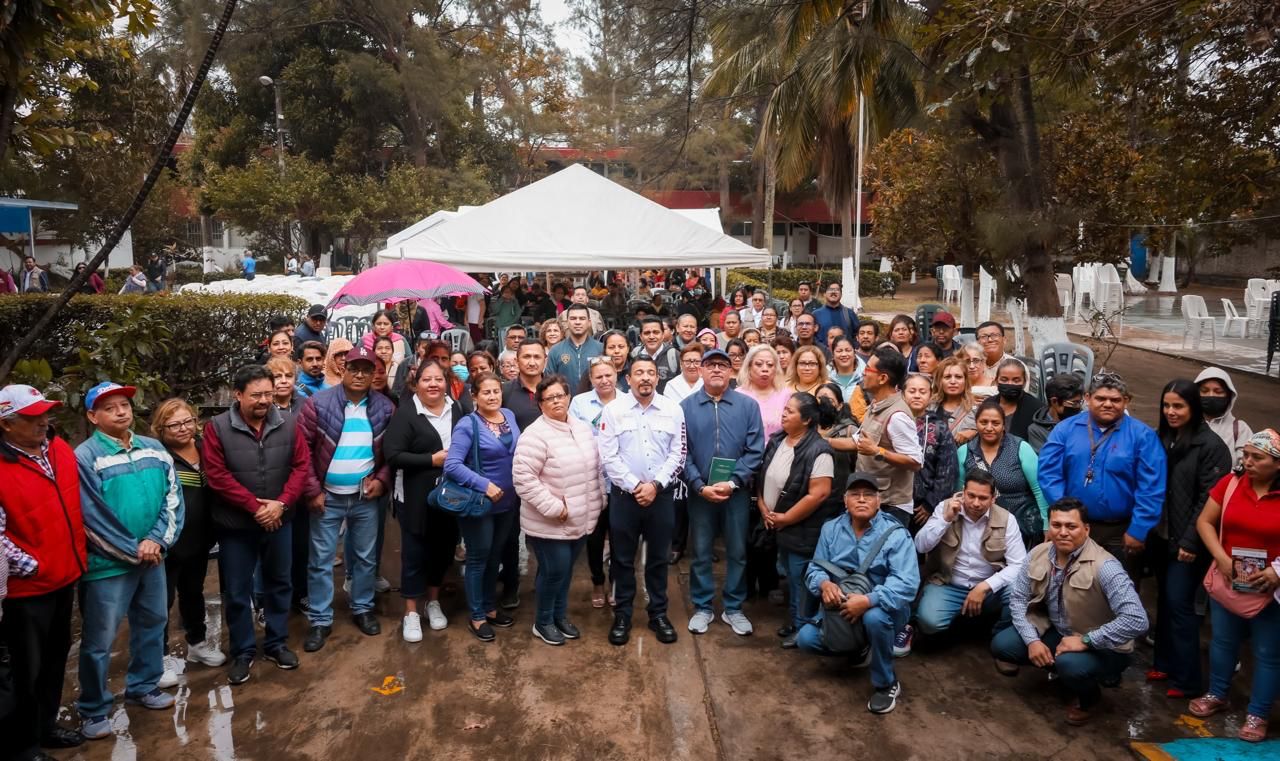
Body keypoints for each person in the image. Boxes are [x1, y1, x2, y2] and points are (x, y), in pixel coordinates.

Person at [74, 382, 184, 739]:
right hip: (108, 566)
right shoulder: (85, 457)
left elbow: (173, 498)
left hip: (152, 559)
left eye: (124, 404)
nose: (121, 411)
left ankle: (143, 686)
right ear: (92, 416)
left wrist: (155, 541)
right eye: (110, 408)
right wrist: (132, 550)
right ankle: (93, 708)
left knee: (153, 622)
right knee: (100, 639)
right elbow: (90, 517)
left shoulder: (154, 449)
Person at [991, 498, 1149, 727]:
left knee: (1071, 666)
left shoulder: (1106, 566)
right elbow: (1017, 599)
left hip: (1103, 645)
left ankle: (1090, 696)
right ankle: (1066, 672)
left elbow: (1137, 619)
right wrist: (1032, 640)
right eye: (1056, 525)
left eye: (1071, 526)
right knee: (1003, 645)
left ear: (1086, 529)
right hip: (1060, 632)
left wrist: (1087, 640)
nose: (1063, 532)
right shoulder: (1038, 553)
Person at [201, 365, 309, 684]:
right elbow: (217, 476)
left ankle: (276, 643)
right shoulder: (217, 428)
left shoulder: (289, 423)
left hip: (280, 520)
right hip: (236, 526)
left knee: (280, 584)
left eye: (268, 394)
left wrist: (282, 504)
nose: (264, 401)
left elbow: (301, 467)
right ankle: (243, 651)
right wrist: (254, 507)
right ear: (238, 395)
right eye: (256, 395)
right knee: (236, 590)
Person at [0, 385, 88, 757]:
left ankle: (46, 726)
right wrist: (33, 565)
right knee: (25, 671)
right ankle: (23, 745)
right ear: (6, 424)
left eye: (44, 414)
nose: (43, 422)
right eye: (32, 417)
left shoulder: (59, 449)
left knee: (55, 661)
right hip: (27, 591)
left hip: (65, 576)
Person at [296, 346, 395, 652]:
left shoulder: (384, 407)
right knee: (321, 560)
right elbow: (302, 453)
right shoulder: (318, 404)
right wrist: (312, 491)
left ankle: (362, 608)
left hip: (365, 497)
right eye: (354, 368)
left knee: (365, 558)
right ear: (343, 369)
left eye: (367, 369)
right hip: (327, 498)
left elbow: (391, 453)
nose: (360, 374)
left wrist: (381, 480)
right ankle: (320, 619)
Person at [797, 472, 919, 715]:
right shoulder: (831, 529)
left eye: (868, 495)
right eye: (855, 494)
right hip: (842, 608)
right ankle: (859, 647)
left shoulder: (895, 534)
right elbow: (815, 568)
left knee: (874, 619)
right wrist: (824, 585)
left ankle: (886, 683)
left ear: (878, 501)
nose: (861, 499)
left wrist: (868, 601)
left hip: (883, 608)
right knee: (806, 639)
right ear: (845, 500)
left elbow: (907, 583)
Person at [1188, 429, 1280, 743]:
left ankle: (1258, 714)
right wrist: (1221, 558)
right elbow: (1204, 522)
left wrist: (1276, 572)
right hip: (1229, 581)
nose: (1248, 462)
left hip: (1272, 591)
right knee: (1223, 642)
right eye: (1247, 455)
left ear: (1278, 463)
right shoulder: (1230, 484)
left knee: (1268, 653)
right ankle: (1217, 693)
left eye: (1258, 457)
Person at [1146, 380, 1231, 699]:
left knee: (1182, 606)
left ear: (1193, 407)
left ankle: (1188, 679)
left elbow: (1209, 502)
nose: (1170, 412)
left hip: (1188, 544)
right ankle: (1165, 664)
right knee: (1165, 602)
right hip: (1162, 538)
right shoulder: (1163, 438)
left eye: (1178, 406)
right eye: (1166, 405)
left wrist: (1191, 542)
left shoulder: (1211, 446)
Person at [1038, 372, 1166, 576]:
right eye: (1100, 398)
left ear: (1126, 401)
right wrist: (1066, 515)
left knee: (1119, 589)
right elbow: (1048, 473)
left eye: (1115, 400)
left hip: (1122, 530)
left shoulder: (1142, 435)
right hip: (1075, 527)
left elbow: (1151, 487)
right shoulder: (1065, 429)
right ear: (1088, 398)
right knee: (1073, 586)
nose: (1108, 404)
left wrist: (1138, 529)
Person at [598, 357, 687, 646]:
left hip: (660, 498)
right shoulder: (613, 411)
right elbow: (608, 456)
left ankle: (658, 613)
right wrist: (637, 486)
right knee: (622, 560)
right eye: (639, 373)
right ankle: (622, 614)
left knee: (659, 559)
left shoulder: (673, 409)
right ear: (628, 379)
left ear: (657, 379)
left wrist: (655, 485)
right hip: (625, 498)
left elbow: (679, 453)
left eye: (651, 373)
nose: (645, 378)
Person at [512, 376, 605, 645]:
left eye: (561, 396)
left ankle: (559, 616)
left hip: (580, 516)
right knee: (554, 571)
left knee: (564, 572)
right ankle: (542, 622)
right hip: (550, 520)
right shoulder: (535, 435)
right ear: (540, 404)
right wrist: (554, 507)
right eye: (549, 398)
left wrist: (598, 501)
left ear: (568, 398)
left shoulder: (581, 428)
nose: (557, 401)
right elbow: (524, 480)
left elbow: (595, 469)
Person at [681, 349, 766, 637]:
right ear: (701, 371)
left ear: (731, 372)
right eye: (710, 365)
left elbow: (755, 451)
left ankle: (733, 608)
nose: (716, 369)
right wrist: (698, 485)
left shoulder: (747, 406)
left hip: (736, 493)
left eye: (722, 365)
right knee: (702, 552)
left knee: (738, 551)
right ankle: (703, 607)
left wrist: (733, 482)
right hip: (700, 493)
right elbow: (682, 453)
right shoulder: (685, 407)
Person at [384, 361, 462, 641]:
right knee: (415, 553)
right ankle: (411, 612)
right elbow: (393, 455)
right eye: (426, 379)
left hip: (450, 495)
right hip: (414, 495)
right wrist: (432, 459)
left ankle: (433, 601)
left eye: (438, 379)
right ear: (416, 384)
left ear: (446, 382)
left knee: (441, 551)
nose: (433, 384)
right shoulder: (406, 414)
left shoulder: (456, 408)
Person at [760, 393, 843, 646]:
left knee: (801, 581)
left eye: (790, 411)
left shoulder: (820, 451)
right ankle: (796, 622)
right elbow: (762, 477)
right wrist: (764, 508)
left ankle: (804, 628)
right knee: (789, 576)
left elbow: (819, 494)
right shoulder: (777, 441)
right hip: (777, 523)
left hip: (802, 529)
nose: (783, 414)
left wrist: (785, 517)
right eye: (784, 409)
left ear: (806, 420)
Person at [444, 372, 521, 642]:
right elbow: (452, 465)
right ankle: (476, 615)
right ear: (474, 396)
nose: (492, 396)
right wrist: (484, 484)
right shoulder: (468, 424)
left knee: (495, 556)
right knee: (478, 559)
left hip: (508, 502)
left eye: (496, 391)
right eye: (486, 392)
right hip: (480, 503)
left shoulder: (509, 417)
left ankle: (489, 607)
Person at [150, 400, 225, 671]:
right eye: (174, 424)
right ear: (161, 428)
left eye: (187, 421)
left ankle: (197, 644)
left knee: (193, 593)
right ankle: (159, 657)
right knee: (162, 601)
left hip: (201, 540)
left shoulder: (207, 449)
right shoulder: (158, 457)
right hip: (169, 544)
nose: (183, 429)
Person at [912, 470, 1027, 643]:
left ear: (993, 498)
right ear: (963, 491)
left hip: (990, 589)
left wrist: (985, 586)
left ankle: (999, 637)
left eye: (983, 498)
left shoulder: (1006, 519)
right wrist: (945, 519)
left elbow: (1019, 565)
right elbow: (920, 546)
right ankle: (959, 627)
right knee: (929, 623)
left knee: (1018, 591)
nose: (975, 503)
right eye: (971, 496)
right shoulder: (945, 508)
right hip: (949, 584)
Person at [957, 398, 1048, 548]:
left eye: (995, 423)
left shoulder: (1020, 447)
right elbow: (959, 493)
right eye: (984, 422)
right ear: (976, 423)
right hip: (977, 527)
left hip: (1020, 527)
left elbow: (1039, 489)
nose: (989, 427)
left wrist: (1046, 524)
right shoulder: (964, 452)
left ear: (1004, 425)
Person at [854, 348, 923, 529]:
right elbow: (859, 442)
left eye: (868, 369)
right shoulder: (877, 404)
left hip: (891, 508)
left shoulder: (898, 415)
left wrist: (877, 451)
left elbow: (915, 461)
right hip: (873, 500)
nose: (863, 372)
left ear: (883, 378)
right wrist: (825, 442)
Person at [571, 356, 620, 607]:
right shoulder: (579, 403)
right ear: (591, 379)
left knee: (621, 538)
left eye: (608, 375)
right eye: (598, 376)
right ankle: (597, 582)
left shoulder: (627, 401)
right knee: (594, 536)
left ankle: (615, 582)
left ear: (616, 375)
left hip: (621, 482)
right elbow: (574, 437)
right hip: (591, 480)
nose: (604, 380)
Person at [903, 372, 957, 532]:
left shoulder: (939, 427)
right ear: (902, 393)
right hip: (896, 499)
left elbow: (947, 470)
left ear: (931, 395)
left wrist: (930, 503)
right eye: (912, 391)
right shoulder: (894, 421)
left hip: (923, 505)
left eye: (922, 391)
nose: (917, 396)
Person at [1195, 367, 1254, 469]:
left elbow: (1246, 468)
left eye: (1218, 391)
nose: (1211, 395)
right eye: (1204, 391)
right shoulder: (1186, 424)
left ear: (1229, 396)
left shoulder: (1241, 430)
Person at [737, 344, 790, 439]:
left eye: (770, 365)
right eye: (758, 364)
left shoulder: (786, 394)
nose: (765, 369)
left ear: (776, 369)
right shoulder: (738, 395)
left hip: (778, 451)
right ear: (749, 367)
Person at [1026, 373, 1084, 452]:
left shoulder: (1084, 423)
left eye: (1080, 402)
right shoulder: (1037, 431)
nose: (1079, 407)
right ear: (1054, 401)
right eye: (1074, 403)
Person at [548, 303, 604, 385]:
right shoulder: (555, 350)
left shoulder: (601, 349)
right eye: (573, 318)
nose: (577, 322)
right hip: (565, 397)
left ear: (589, 323)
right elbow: (549, 382)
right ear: (567, 322)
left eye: (582, 318)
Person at [932, 355, 977, 446]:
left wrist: (975, 432)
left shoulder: (975, 410)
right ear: (940, 381)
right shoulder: (929, 407)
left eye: (958, 377)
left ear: (965, 381)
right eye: (947, 377)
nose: (953, 381)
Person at [992, 358, 1042, 440]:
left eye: (1016, 380)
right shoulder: (988, 405)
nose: (1010, 384)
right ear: (996, 381)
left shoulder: (1037, 409)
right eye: (1004, 380)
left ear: (1024, 382)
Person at [631, 316, 680, 387]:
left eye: (656, 332)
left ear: (663, 335)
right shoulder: (634, 355)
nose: (651, 336)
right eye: (647, 333)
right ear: (641, 336)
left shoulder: (674, 355)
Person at [812, 281, 859, 348]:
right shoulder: (816, 314)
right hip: (823, 355)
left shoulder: (849, 313)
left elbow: (857, 335)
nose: (833, 292)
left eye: (837, 290)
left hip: (845, 355)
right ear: (824, 294)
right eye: (830, 289)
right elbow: (812, 337)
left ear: (841, 294)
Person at [828, 335, 866, 414]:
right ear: (833, 353)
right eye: (839, 351)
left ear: (854, 352)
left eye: (848, 350)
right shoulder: (826, 379)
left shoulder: (864, 378)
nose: (844, 354)